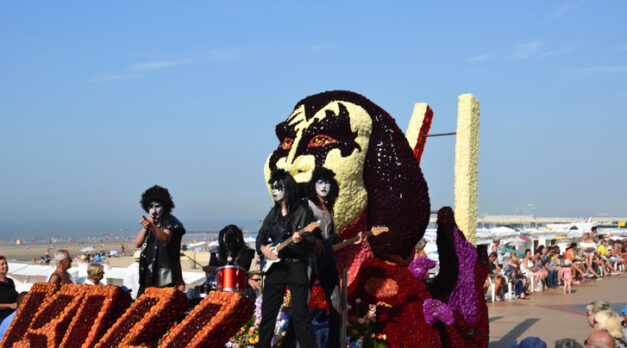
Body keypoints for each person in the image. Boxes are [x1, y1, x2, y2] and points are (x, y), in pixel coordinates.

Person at [256, 169, 317, 348]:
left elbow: (311, 241)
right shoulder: (273, 213)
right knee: (268, 313)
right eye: (273, 187)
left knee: (301, 315)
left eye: (278, 187)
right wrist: (263, 250)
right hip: (275, 268)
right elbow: (261, 236)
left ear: (287, 188)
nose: (274, 190)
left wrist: (299, 241)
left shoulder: (302, 211)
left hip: (296, 266)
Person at [304, 167, 363, 348]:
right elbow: (298, 229)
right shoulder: (306, 205)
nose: (323, 186)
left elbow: (332, 238)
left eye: (327, 182)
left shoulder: (329, 208)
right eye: (320, 182)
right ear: (313, 185)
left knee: (336, 302)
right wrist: (313, 240)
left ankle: (333, 343)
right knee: (302, 304)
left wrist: (354, 240)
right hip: (308, 261)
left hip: (326, 261)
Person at [135, 185, 186, 296]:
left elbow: (165, 238)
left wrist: (152, 226)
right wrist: (145, 227)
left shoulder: (171, 220)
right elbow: (137, 244)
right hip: (148, 275)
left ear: (165, 205)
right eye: (151, 207)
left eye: (157, 206)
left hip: (165, 277)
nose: (153, 210)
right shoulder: (151, 222)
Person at [0, 256, 18, 323]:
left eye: (6, 263)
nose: (5, 266)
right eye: (2, 264)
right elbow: (12, 304)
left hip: (12, 317)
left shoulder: (10, 281)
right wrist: (10, 305)